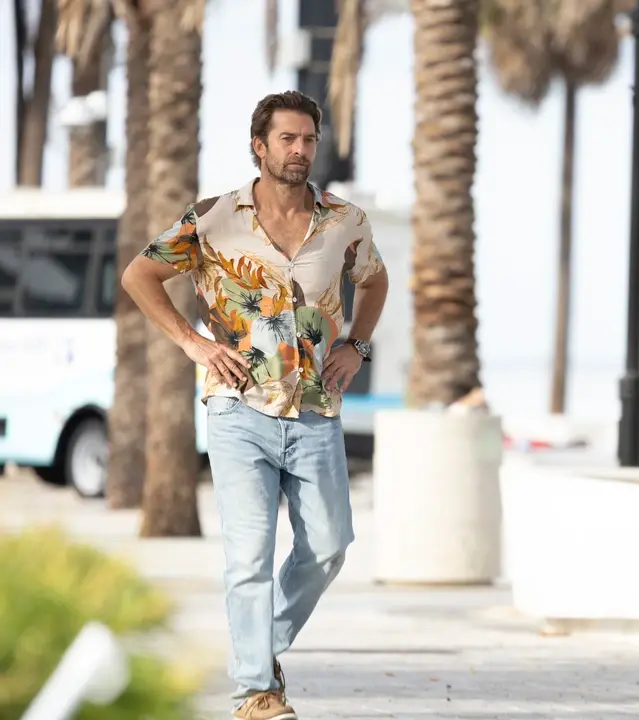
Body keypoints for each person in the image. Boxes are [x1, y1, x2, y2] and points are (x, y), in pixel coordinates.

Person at [122, 91, 389, 720]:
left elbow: (374, 280)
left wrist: (357, 345)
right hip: (237, 408)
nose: (300, 151)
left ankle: (256, 650)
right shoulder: (212, 219)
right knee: (249, 557)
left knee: (330, 545)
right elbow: (140, 275)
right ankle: (255, 691)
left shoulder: (345, 220)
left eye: (309, 140)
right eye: (287, 139)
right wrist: (192, 343)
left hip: (316, 409)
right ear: (259, 146)